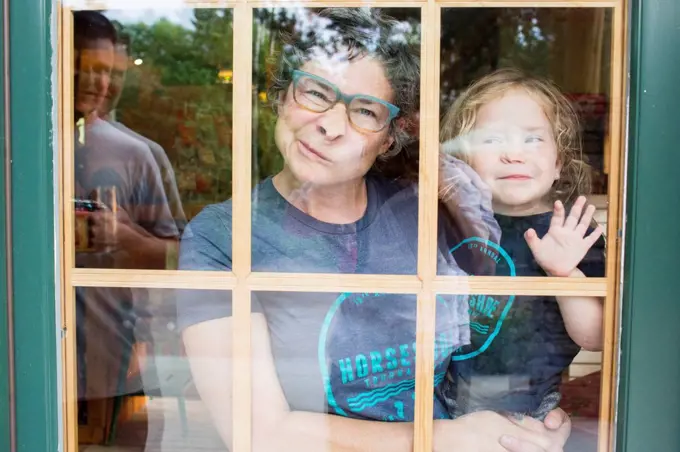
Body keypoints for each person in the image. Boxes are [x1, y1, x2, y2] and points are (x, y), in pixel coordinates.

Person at [178, 9, 571, 452]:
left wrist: (538, 421)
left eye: (364, 111)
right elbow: (258, 433)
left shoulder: (426, 211)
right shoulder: (221, 237)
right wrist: (440, 440)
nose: (328, 125)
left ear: (389, 136)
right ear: (282, 95)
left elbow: (508, 329)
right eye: (315, 92)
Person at [438, 68, 605, 424]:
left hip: (530, 405)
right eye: (492, 139)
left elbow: (596, 336)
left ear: (558, 162)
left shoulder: (571, 231)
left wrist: (564, 273)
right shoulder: (448, 222)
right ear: (464, 160)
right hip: (437, 393)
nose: (514, 155)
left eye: (532, 140)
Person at [72, 10, 179, 444]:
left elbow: (179, 257)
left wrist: (127, 239)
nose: (99, 83)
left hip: (114, 361)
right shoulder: (19, 145)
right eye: (86, 68)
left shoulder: (137, 154)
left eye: (107, 71)